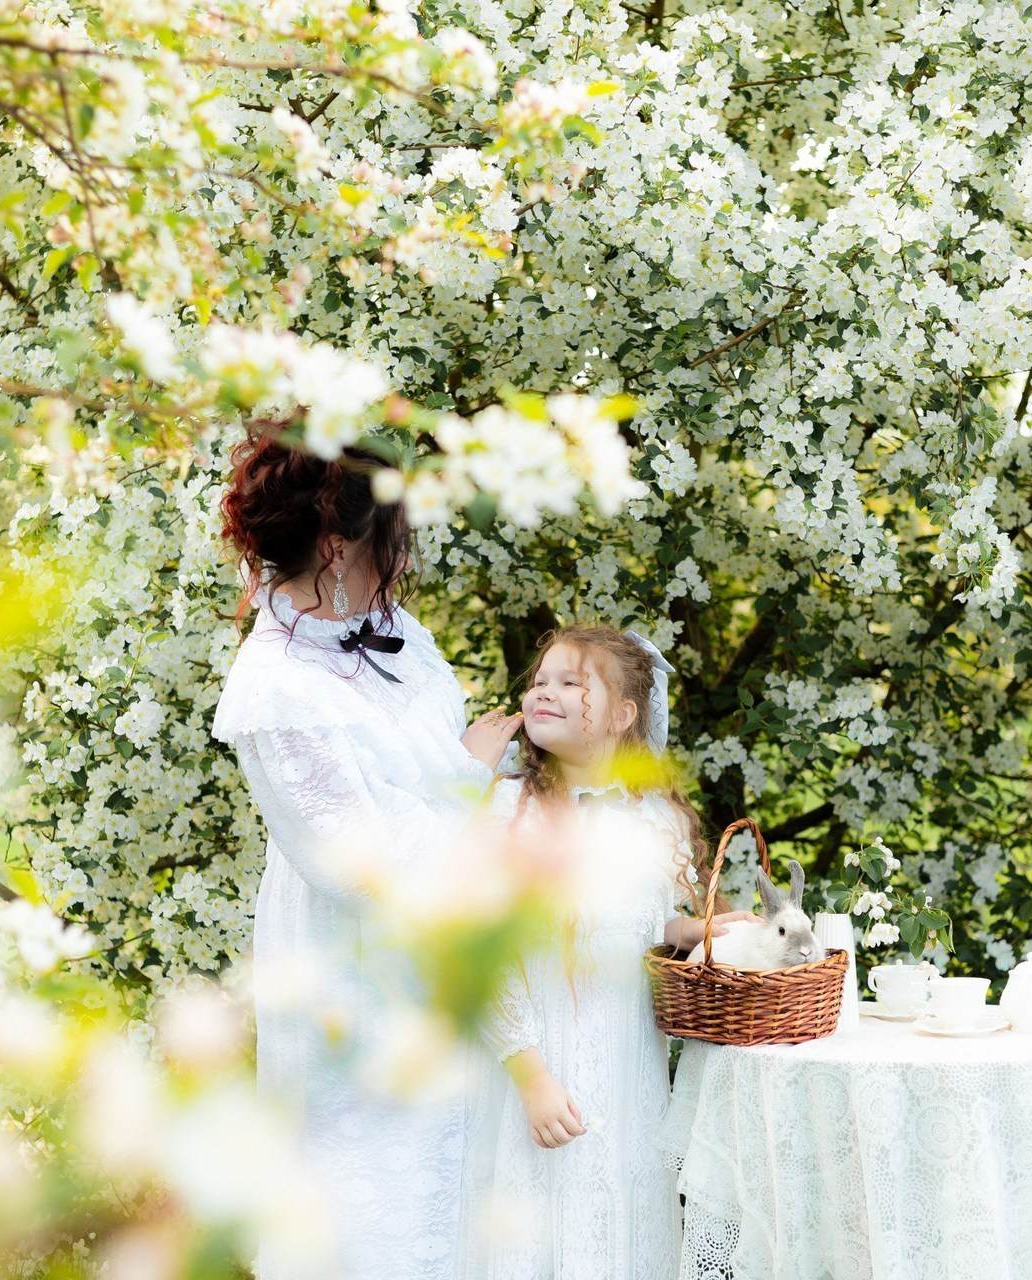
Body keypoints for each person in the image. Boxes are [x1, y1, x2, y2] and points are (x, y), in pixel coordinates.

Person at [212, 434, 521, 1280]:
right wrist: (472, 779)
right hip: (356, 965)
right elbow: (366, 865)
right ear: (338, 546)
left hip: (452, 938)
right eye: (396, 535)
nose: (406, 556)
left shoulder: (392, 631)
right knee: (374, 1198)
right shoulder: (276, 692)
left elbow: (436, 765)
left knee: (461, 1195)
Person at [457, 625, 753, 1279]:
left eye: (571, 682)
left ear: (622, 716)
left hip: (626, 1069)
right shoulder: (508, 810)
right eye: (540, 680)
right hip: (536, 1064)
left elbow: (640, 920)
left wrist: (688, 931)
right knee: (536, 1219)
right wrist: (532, 1079)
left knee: (621, 1217)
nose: (545, 691)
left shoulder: (655, 819)